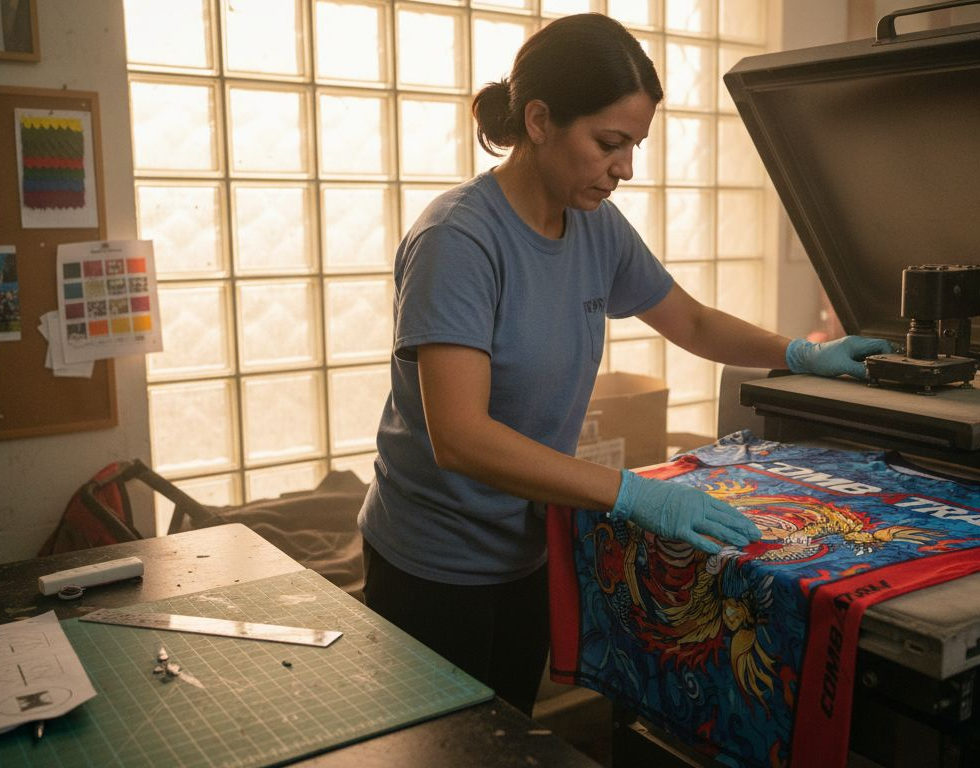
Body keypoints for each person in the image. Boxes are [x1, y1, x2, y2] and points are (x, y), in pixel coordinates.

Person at [357, 13, 892, 716]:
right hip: (433, 564)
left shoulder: (594, 224)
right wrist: (634, 494)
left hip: (529, 547)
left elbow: (690, 321)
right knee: (438, 747)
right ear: (539, 120)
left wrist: (801, 353)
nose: (626, 168)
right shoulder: (459, 239)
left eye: (635, 145)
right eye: (609, 143)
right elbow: (460, 437)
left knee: (506, 733)